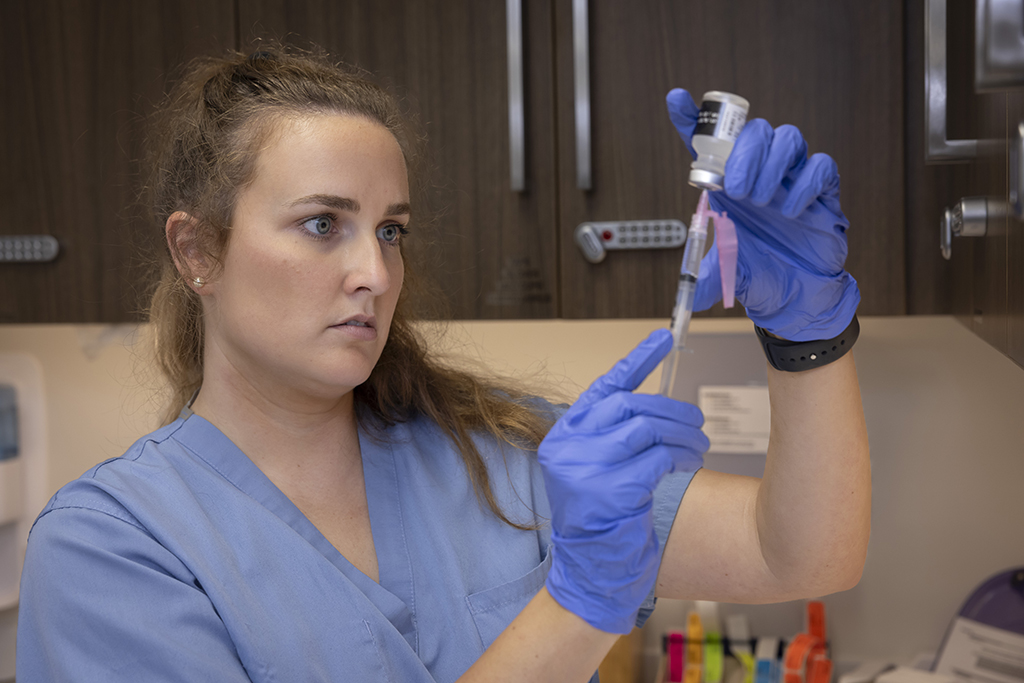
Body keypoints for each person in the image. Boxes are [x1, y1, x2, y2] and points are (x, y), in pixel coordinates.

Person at [16, 46, 870, 683]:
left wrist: (807, 330)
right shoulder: (112, 550)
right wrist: (576, 606)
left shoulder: (493, 449)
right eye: (324, 223)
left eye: (391, 229)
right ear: (198, 249)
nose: (376, 272)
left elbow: (798, 553)